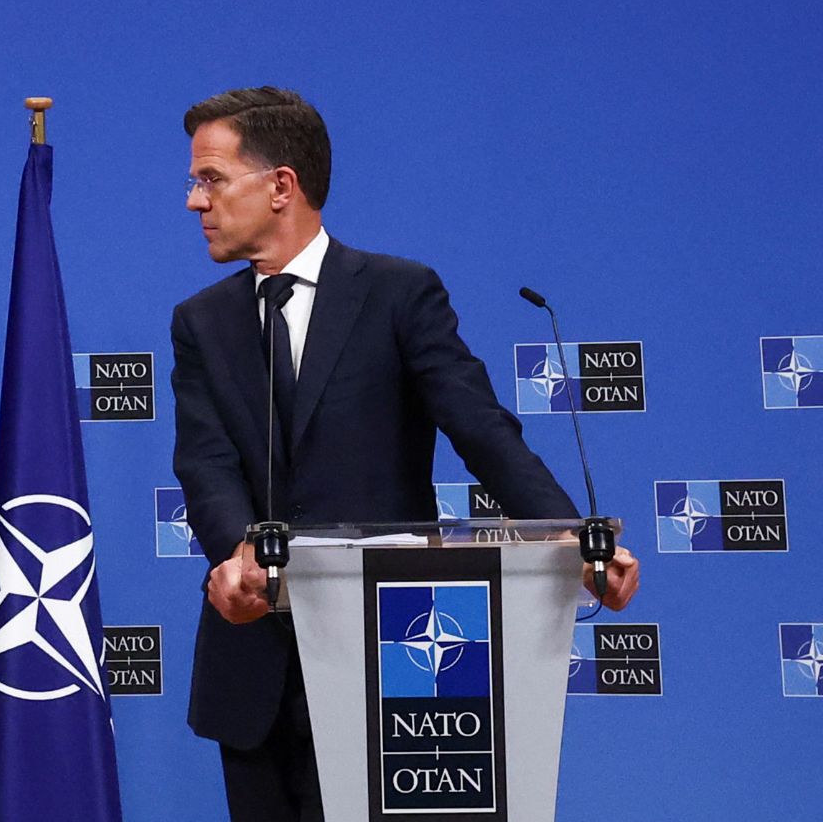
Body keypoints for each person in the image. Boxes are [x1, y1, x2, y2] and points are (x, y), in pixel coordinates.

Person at [167, 88, 638, 821]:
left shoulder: (398, 294)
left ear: (281, 185)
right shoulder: (201, 322)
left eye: (212, 178)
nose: (196, 200)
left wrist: (571, 536)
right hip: (254, 658)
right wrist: (234, 557)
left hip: (395, 654)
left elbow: (480, 428)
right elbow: (205, 460)